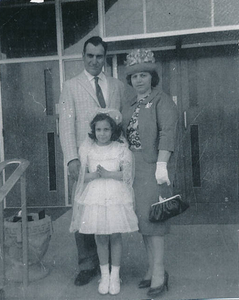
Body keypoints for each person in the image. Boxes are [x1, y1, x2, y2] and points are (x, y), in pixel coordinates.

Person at [59, 36, 125, 286]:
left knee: (109, 207)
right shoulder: (71, 85)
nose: (94, 60)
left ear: (105, 58)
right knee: (85, 209)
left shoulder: (116, 85)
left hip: (111, 158)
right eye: (90, 55)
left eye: (99, 56)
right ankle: (87, 264)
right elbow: (66, 125)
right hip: (85, 158)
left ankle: (110, 265)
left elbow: (120, 124)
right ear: (83, 56)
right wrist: (72, 159)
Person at [122, 49, 178, 297]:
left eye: (143, 75)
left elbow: (167, 133)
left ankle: (159, 271)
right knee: (142, 221)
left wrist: (161, 165)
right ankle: (151, 268)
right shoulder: (131, 103)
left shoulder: (162, 100)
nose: (139, 80)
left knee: (154, 219)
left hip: (154, 167)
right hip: (133, 168)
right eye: (135, 76)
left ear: (151, 77)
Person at [69, 109, 138, 295]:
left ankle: (115, 275)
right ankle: (104, 275)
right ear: (93, 130)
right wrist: (94, 175)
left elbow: (128, 174)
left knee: (115, 236)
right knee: (100, 237)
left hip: (115, 196)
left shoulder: (120, 147)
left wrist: (108, 174)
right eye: (98, 129)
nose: (102, 133)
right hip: (95, 197)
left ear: (113, 130)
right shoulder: (88, 149)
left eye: (106, 129)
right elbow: (81, 176)